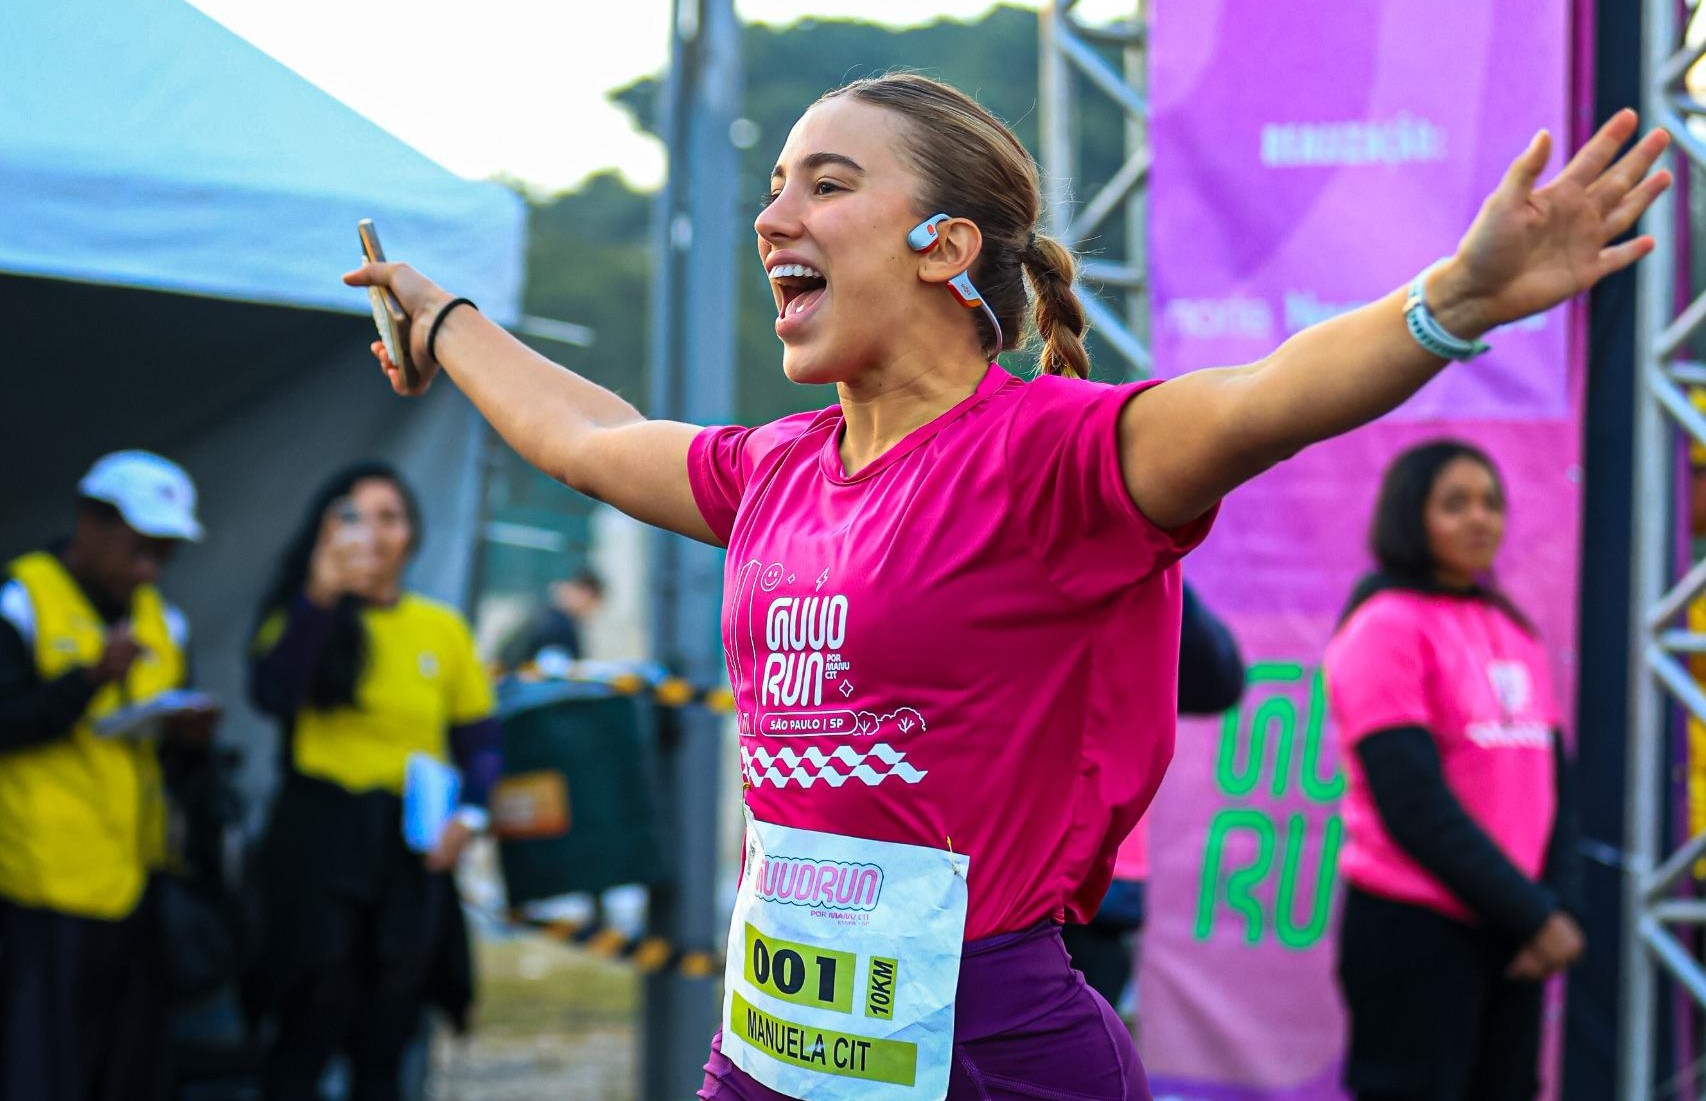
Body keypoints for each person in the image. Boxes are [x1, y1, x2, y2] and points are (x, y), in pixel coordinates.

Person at [344, 71, 1665, 1101]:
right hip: (774, 1039)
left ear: (941, 244)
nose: (773, 216)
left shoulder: (1049, 455)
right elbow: (582, 437)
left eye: (825, 184)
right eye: (774, 184)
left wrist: (1457, 299)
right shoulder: (774, 471)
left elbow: (1268, 399)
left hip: (988, 1044)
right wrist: (445, 316)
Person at [1324, 441, 1583, 1101]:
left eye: (1491, 502)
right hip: (1419, 932)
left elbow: (1557, 789)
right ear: (1412, 515)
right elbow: (1412, 803)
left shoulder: (1512, 628)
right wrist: (1533, 915)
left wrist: (1545, 911)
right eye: (1455, 503)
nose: (1480, 519)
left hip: (1513, 929)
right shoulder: (1383, 626)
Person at [246, 463, 500, 1101]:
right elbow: (273, 696)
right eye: (354, 517)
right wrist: (319, 598)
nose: (374, 534)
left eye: (390, 516)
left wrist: (466, 819)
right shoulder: (305, 613)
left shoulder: (440, 628)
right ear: (327, 531)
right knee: (309, 1018)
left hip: (407, 848)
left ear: (412, 533)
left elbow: (481, 744)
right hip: (319, 841)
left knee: (387, 1033)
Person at [0, 450, 213, 1101]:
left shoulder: (165, 622)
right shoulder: (19, 600)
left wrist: (188, 741)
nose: (149, 567)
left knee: (122, 1073)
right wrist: (88, 681)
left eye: (164, 553)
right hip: (34, 892)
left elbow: (173, 756)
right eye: (139, 547)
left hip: (131, 884)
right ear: (90, 521)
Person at [1061, 583, 1244, 1012]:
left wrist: (1153, 559)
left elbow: (1216, 680)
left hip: (1094, 878)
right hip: (979, 863)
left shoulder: (1135, 566)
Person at [499, 567, 604, 669]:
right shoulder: (558, 626)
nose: (591, 612)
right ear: (585, 594)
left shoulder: (543, 615)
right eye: (593, 604)